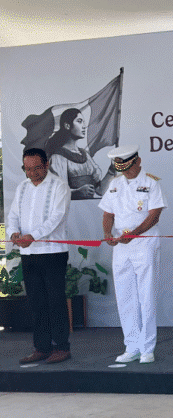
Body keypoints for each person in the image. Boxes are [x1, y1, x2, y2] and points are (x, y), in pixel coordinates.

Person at [99, 145, 167, 364]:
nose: (126, 172)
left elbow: (154, 215)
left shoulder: (151, 183)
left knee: (146, 296)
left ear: (137, 161)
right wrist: (108, 233)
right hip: (121, 246)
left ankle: (147, 347)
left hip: (144, 243)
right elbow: (108, 214)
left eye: (128, 166)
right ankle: (132, 345)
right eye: (121, 168)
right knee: (125, 296)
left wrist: (135, 234)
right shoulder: (114, 185)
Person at [7, 148, 72, 364]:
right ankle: (42, 347)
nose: (33, 173)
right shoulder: (22, 187)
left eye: (37, 168)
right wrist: (14, 233)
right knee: (36, 302)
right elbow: (13, 215)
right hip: (29, 253)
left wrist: (32, 235)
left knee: (55, 301)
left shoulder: (59, 185)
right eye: (28, 169)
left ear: (47, 164)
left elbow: (57, 217)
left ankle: (62, 347)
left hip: (53, 252)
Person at [44, 108, 115, 200]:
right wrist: (77, 192)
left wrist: (112, 170)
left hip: (90, 208)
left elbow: (100, 191)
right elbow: (58, 192)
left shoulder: (85, 155)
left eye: (83, 122)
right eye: (79, 121)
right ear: (67, 125)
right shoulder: (58, 157)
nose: (84, 126)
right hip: (72, 209)